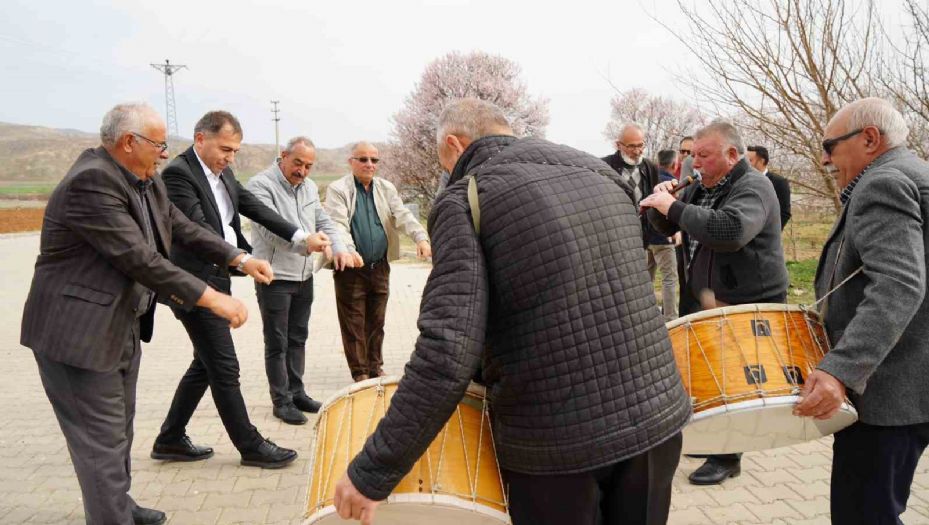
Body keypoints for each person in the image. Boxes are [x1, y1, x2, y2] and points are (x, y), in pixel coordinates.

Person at [332, 98, 691, 525]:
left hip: (558, 445)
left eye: (445, 157)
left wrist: (373, 470)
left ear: (454, 143)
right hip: (657, 417)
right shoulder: (597, 171)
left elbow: (447, 350)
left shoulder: (465, 198)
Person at [20, 102, 274, 525]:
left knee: (120, 429)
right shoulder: (92, 183)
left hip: (120, 326)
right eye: (157, 144)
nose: (163, 153)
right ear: (127, 142)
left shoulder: (144, 179)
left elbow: (184, 228)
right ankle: (111, 515)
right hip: (77, 335)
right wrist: (212, 297)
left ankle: (120, 505)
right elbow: (139, 258)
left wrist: (239, 258)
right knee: (99, 441)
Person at [151, 111, 325, 469]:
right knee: (225, 366)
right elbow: (197, 231)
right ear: (201, 139)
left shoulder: (223, 173)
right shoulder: (178, 175)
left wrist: (300, 236)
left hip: (218, 276)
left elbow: (253, 207)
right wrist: (243, 260)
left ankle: (170, 439)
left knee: (206, 362)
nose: (230, 158)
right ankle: (250, 445)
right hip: (193, 282)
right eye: (225, 149)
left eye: (235, 151)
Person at [795, 97, 929, 524]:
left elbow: (899, 283)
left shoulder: (883, 182)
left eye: (830, 146)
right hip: (915, 387)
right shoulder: (917, 174)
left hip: (889, 392)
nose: (824, 158)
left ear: (869, 139)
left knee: (864, 514)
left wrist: (841, 369)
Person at [641, 119, 788, 485]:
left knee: (732, 378)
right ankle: (712, 439)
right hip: (704, 294)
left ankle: (728, 457)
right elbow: (672, 228)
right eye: (692, 155)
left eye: (704, 156)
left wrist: (672, 208)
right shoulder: (701, 185)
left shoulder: (754, 187)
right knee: (705, 371)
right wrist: (663, 207)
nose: (695, 163)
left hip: (745, 298)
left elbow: (730, 231)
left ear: (732, 155)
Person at [245, 136, 354, 425]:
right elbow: (269, 232)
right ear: (283, 155)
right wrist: (307, 244)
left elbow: (324, 219)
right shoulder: (259, 185)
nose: (302, 171)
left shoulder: (306, 187)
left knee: (298, 337)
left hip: (304, 275)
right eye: (297, 163)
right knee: (277, 341)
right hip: (274, 276)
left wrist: (339, 247)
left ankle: (297, 392)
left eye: (308, 166)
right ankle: (281, 401)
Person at [323, 141, 431, 382]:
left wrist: (421, 237)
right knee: (354, 322)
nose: (369, 164)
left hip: (380, 266)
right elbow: (337, 224)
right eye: (363, 159)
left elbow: (402, 214)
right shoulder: (338, 189)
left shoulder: (386, 188)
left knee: (377, 321)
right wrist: (349, 251)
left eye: (374, 160)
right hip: (350, 267)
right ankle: (360, 372)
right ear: (351, 161)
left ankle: (375, 366)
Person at [649, 149, 680, 321]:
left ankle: (646, 314)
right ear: (674, 165)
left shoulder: (649, 181)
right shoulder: (673, 185)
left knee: (647, 279)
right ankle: (670, 318)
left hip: (646, 239)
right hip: (664, 240)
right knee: (669, 279)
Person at [747, 145, 792, 229]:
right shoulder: (742, 181)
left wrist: (769, 235)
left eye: (750, 160)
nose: (746, 164)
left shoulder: (779, 182)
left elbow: (784, 213)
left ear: (762, 161)